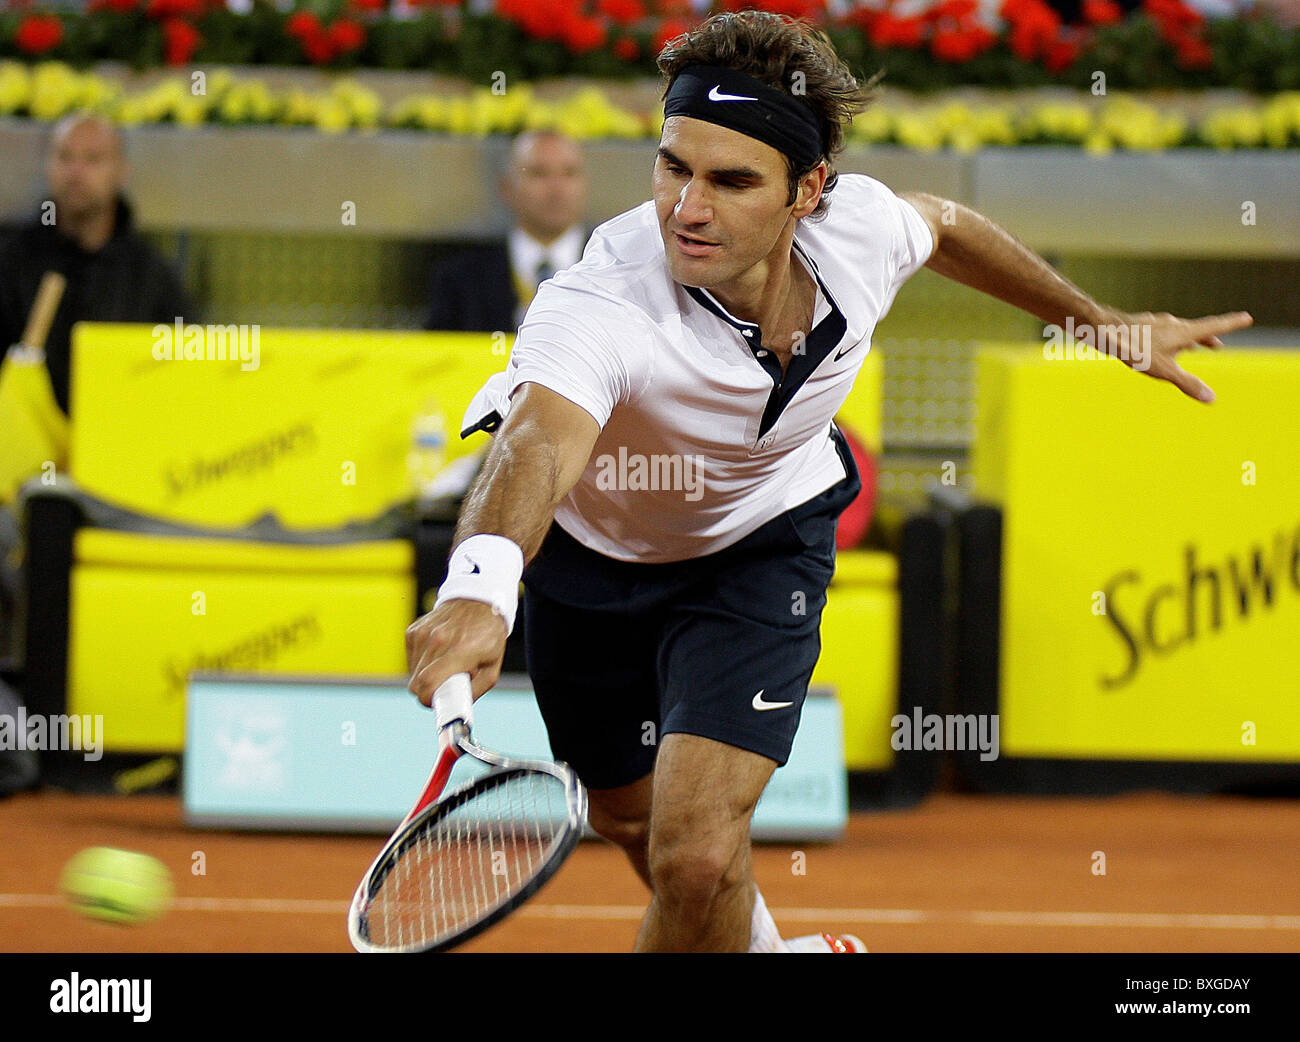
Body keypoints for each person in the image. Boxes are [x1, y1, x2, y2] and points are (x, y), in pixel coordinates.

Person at [404, 11, 1252, 953]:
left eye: (731, 181)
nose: (687, 207)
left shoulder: (860, 234)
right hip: (590, 567)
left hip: (761, 550)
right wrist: (479, 588)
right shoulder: (598, 298)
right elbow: (535, 445)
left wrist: (1098, 323)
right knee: (635, 825)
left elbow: (948, 226)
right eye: (672, 165)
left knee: (694, 857)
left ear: (809, 191)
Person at [0, 113, 197, 417]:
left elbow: (184, 376)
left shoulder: (152, 275)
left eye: (93, 159)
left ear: (121, 171)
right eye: (65, 157)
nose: (75, 172)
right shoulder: (11, 261)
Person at [423, 129, 589, 333]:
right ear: (507, 188)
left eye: (569, 173)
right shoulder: (460, 280)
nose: (557, 189)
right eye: (539, 173)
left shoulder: (618, 272)